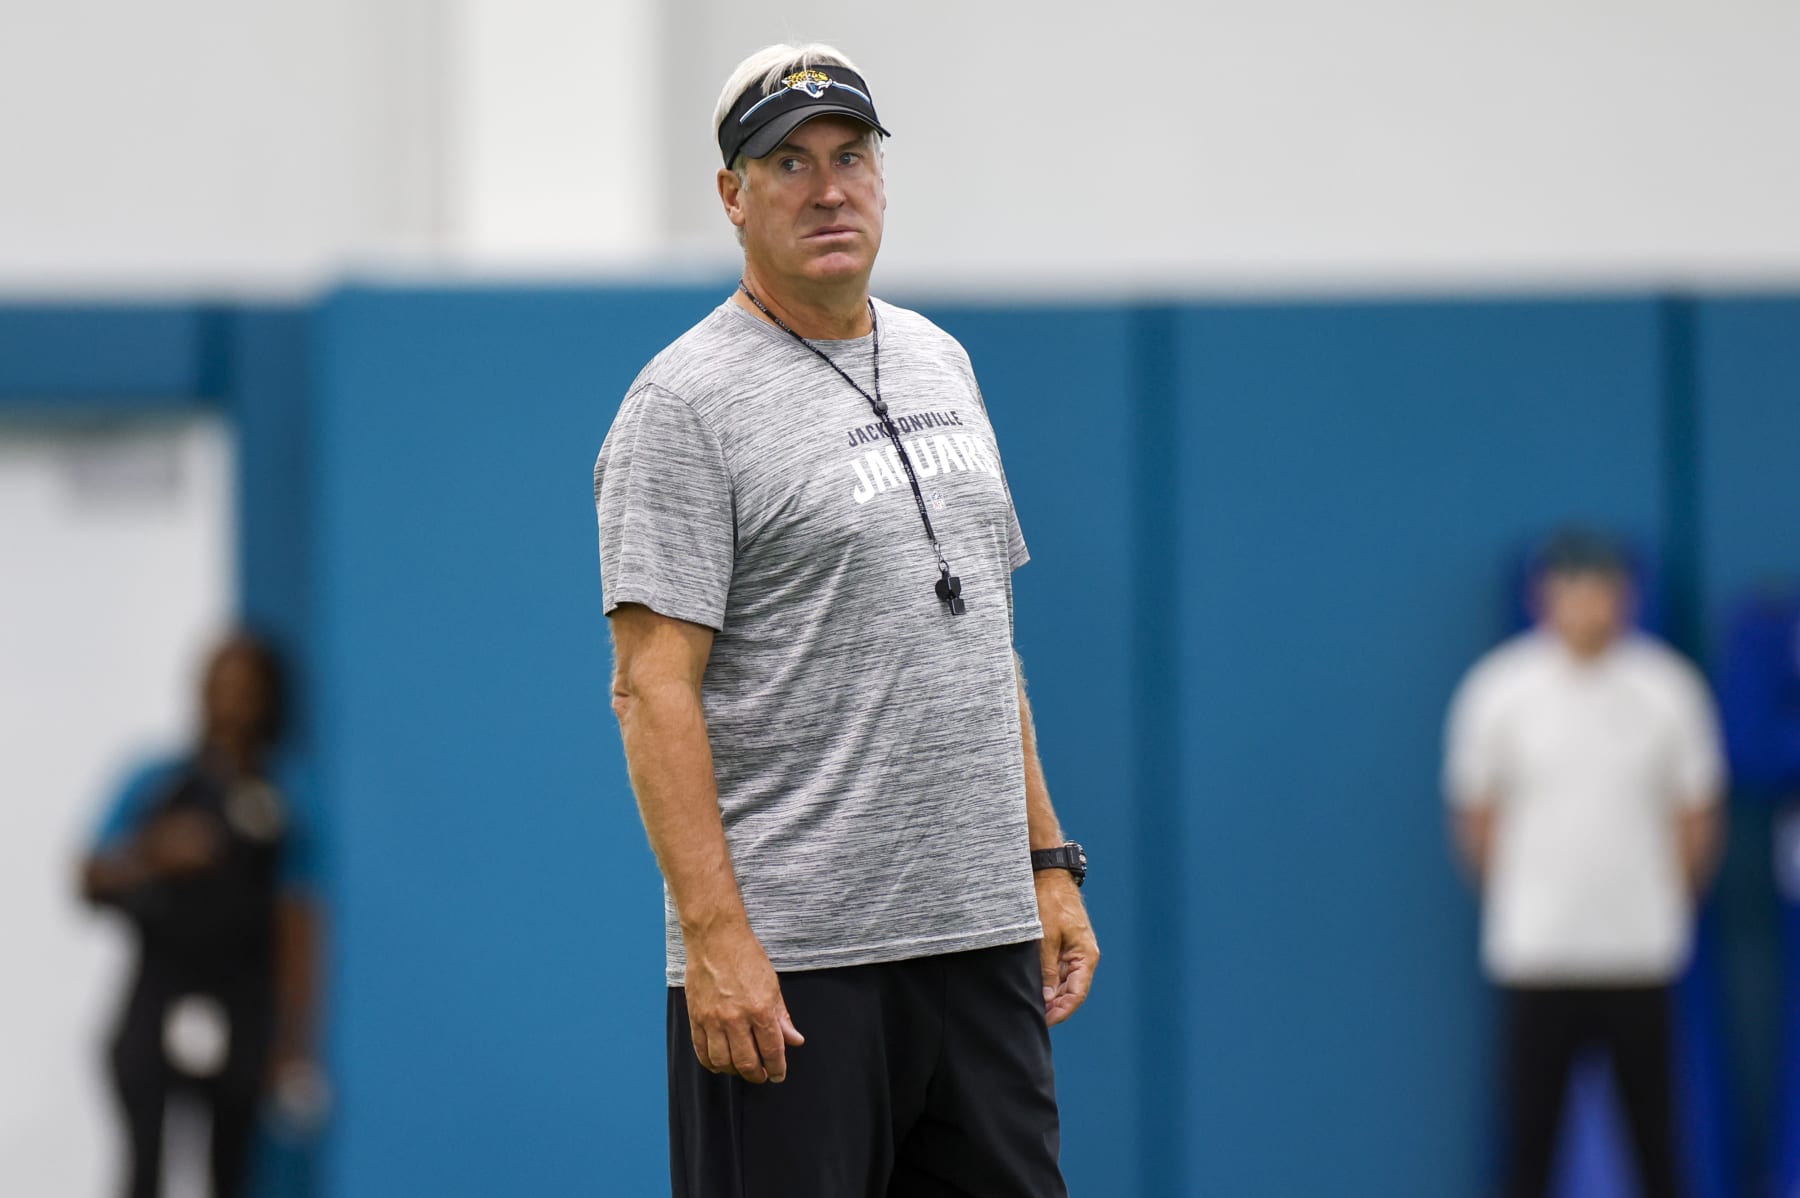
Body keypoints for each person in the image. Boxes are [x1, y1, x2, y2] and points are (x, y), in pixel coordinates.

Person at [593, 41, 1099, 1198]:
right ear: (733, 195)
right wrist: (717, 942)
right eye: (789, 164)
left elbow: (982, 637)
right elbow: (649, 688)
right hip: (796, 973)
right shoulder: (683, 405)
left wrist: (1045, 859)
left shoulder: (940, 358)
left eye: (851, 156)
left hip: (977, 945)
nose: (830, 188)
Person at [1443, 529, 1726, 1198]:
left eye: (1603, 589)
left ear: (1626, 597)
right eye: (1571, 589)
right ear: (1544, 597)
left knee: (1656, 1139)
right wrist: (1523, 900)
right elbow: (1475, 817)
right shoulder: (1499, 690)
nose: (1587, 605)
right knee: (1530, 1137)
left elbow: (1696, 816)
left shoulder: (1669, 688)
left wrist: (1660, 903)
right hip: (1537, 950)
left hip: (1640, 951)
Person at [79, 632, 323, 1198]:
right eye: (220, 684)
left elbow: (301, 917)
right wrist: (153, 852)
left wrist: (294, 1038)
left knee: (233, 1171)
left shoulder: (286, 795)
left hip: (242, 998)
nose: (231, 701)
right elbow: (90, 875)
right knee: (143, 1169)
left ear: (268, 697)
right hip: (158, 991)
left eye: (246, 688)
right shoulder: (156, 782)